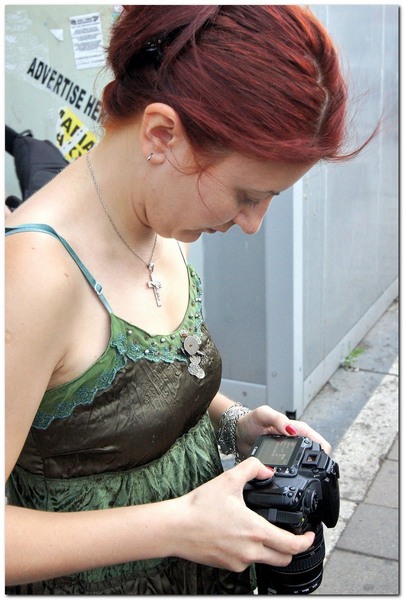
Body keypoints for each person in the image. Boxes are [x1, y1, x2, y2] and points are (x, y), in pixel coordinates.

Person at [5, 5, 361, 595]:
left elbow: (129, 389)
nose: (252, 223)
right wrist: (178, 527)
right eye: (247, 195)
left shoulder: (163, 222)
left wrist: (235, 423)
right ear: (161, 134)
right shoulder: (33, 277)